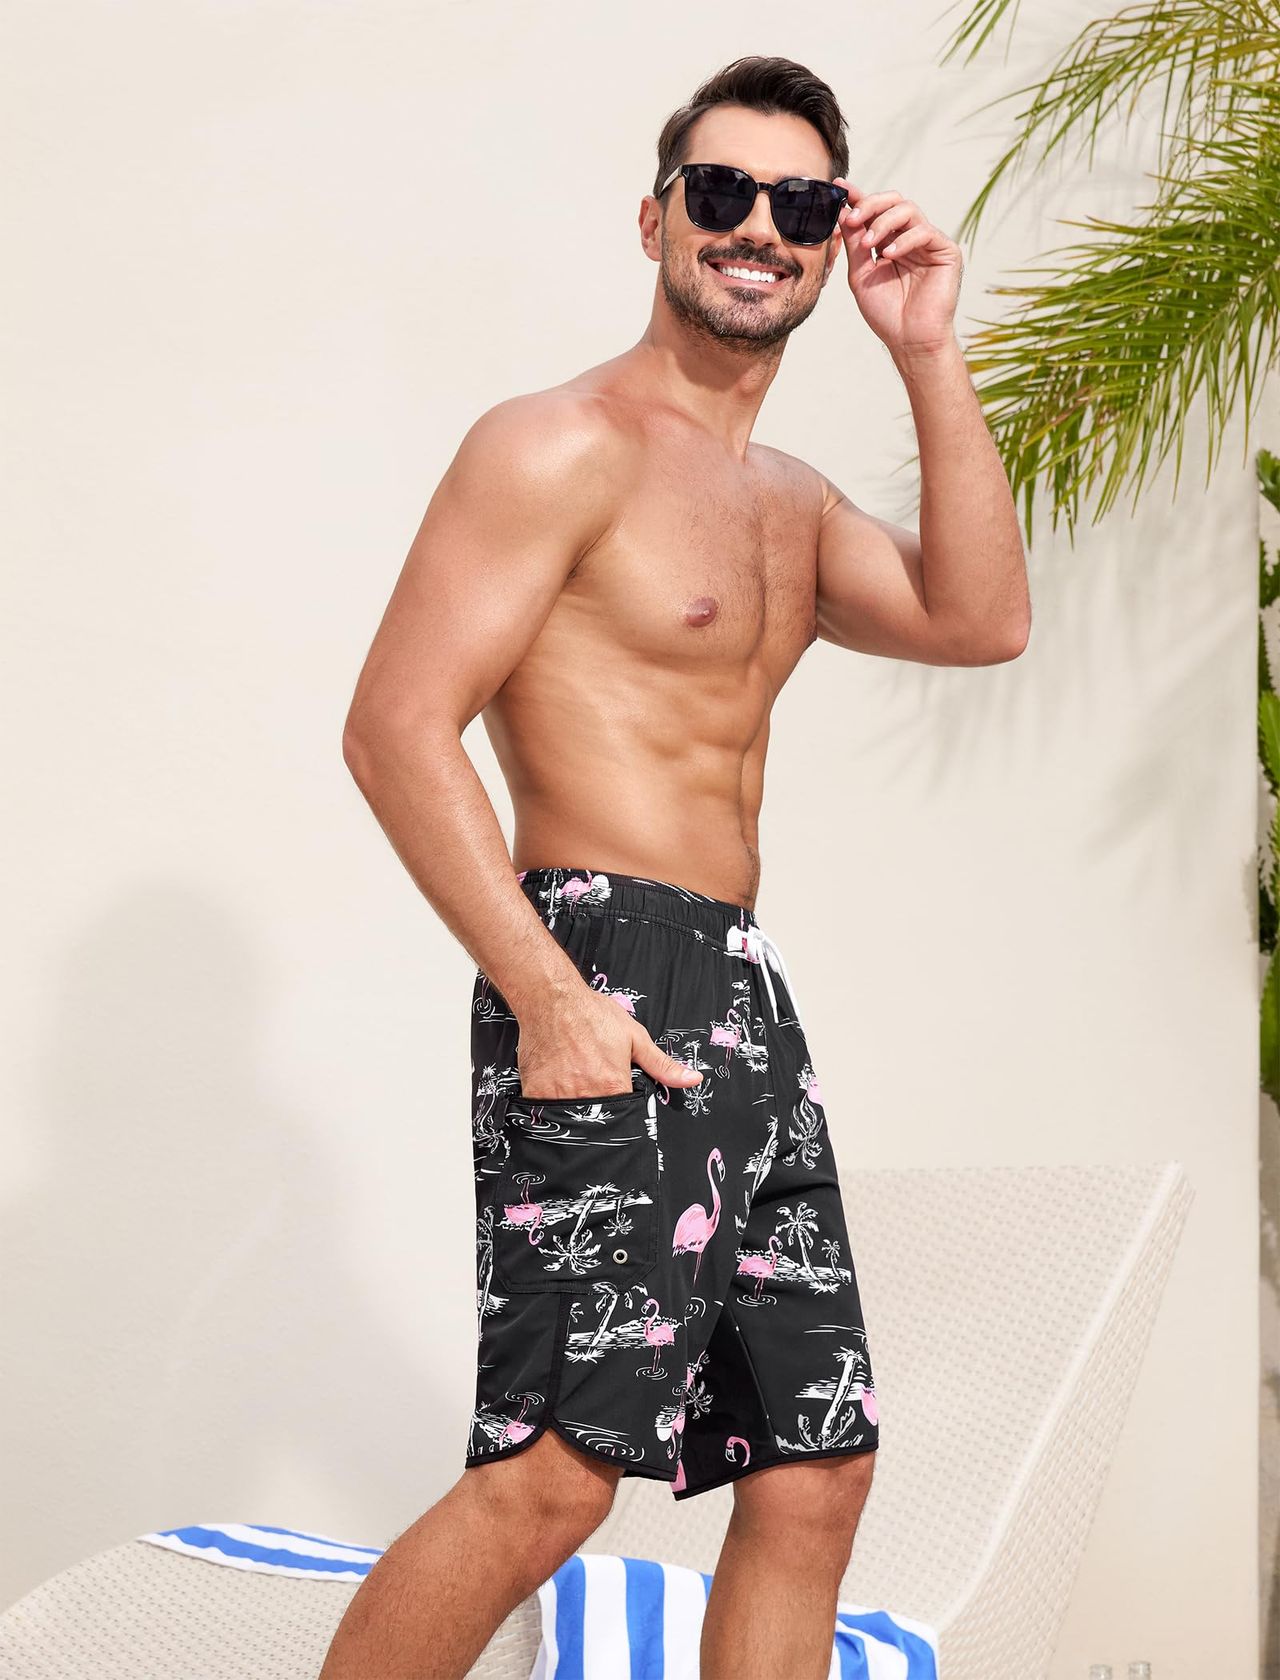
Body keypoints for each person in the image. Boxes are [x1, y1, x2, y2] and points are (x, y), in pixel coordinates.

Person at [323, 52, 1029, 1680]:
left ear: (833, 236)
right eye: (721, 192)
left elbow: (982, 618)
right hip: (601, 968)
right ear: (656, 221)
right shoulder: (559, 445)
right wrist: (546, 994)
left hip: (739, 992)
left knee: (814, 1471)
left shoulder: (791, 502)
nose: (758, 228)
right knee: (552, 1478)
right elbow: (394, 728)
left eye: (801, 203)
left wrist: (927, 350)